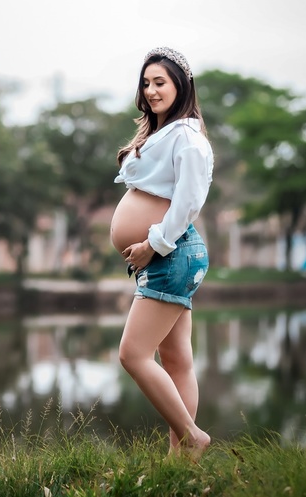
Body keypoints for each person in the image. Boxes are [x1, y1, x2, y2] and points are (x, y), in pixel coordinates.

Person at [111, 45, 213, 458]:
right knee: (176, 361)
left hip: (172, 253)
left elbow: (188, 203)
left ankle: (192, 436)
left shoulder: (187, 137)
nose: (151, 91)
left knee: (133, 355)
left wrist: (152, 245)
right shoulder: (165, 133)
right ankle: (181, 464)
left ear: (181, 86)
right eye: (146, 83)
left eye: (160, 82)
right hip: (172, 255)